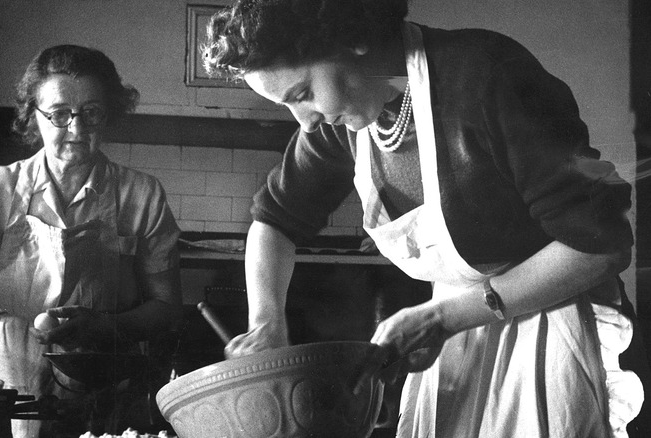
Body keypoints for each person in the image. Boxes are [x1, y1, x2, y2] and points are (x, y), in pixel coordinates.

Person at [202, 1, 644, 437]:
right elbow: (274, 221)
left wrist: (443, 318)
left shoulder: (488, 76)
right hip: (458, 339)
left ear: (352, 40)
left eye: (302, 94)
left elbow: (599, 246)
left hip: (558, 328)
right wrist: (266, 323)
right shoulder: (345, 123)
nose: (307, 121)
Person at [0, 44, 182, 437]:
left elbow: (167, 308)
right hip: (7, 373)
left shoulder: (141, 195)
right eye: (60, 114)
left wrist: (106, 326)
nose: (77, 130)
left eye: (92, 113)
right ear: (35, 115)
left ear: (109, 113)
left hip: (103, 373)